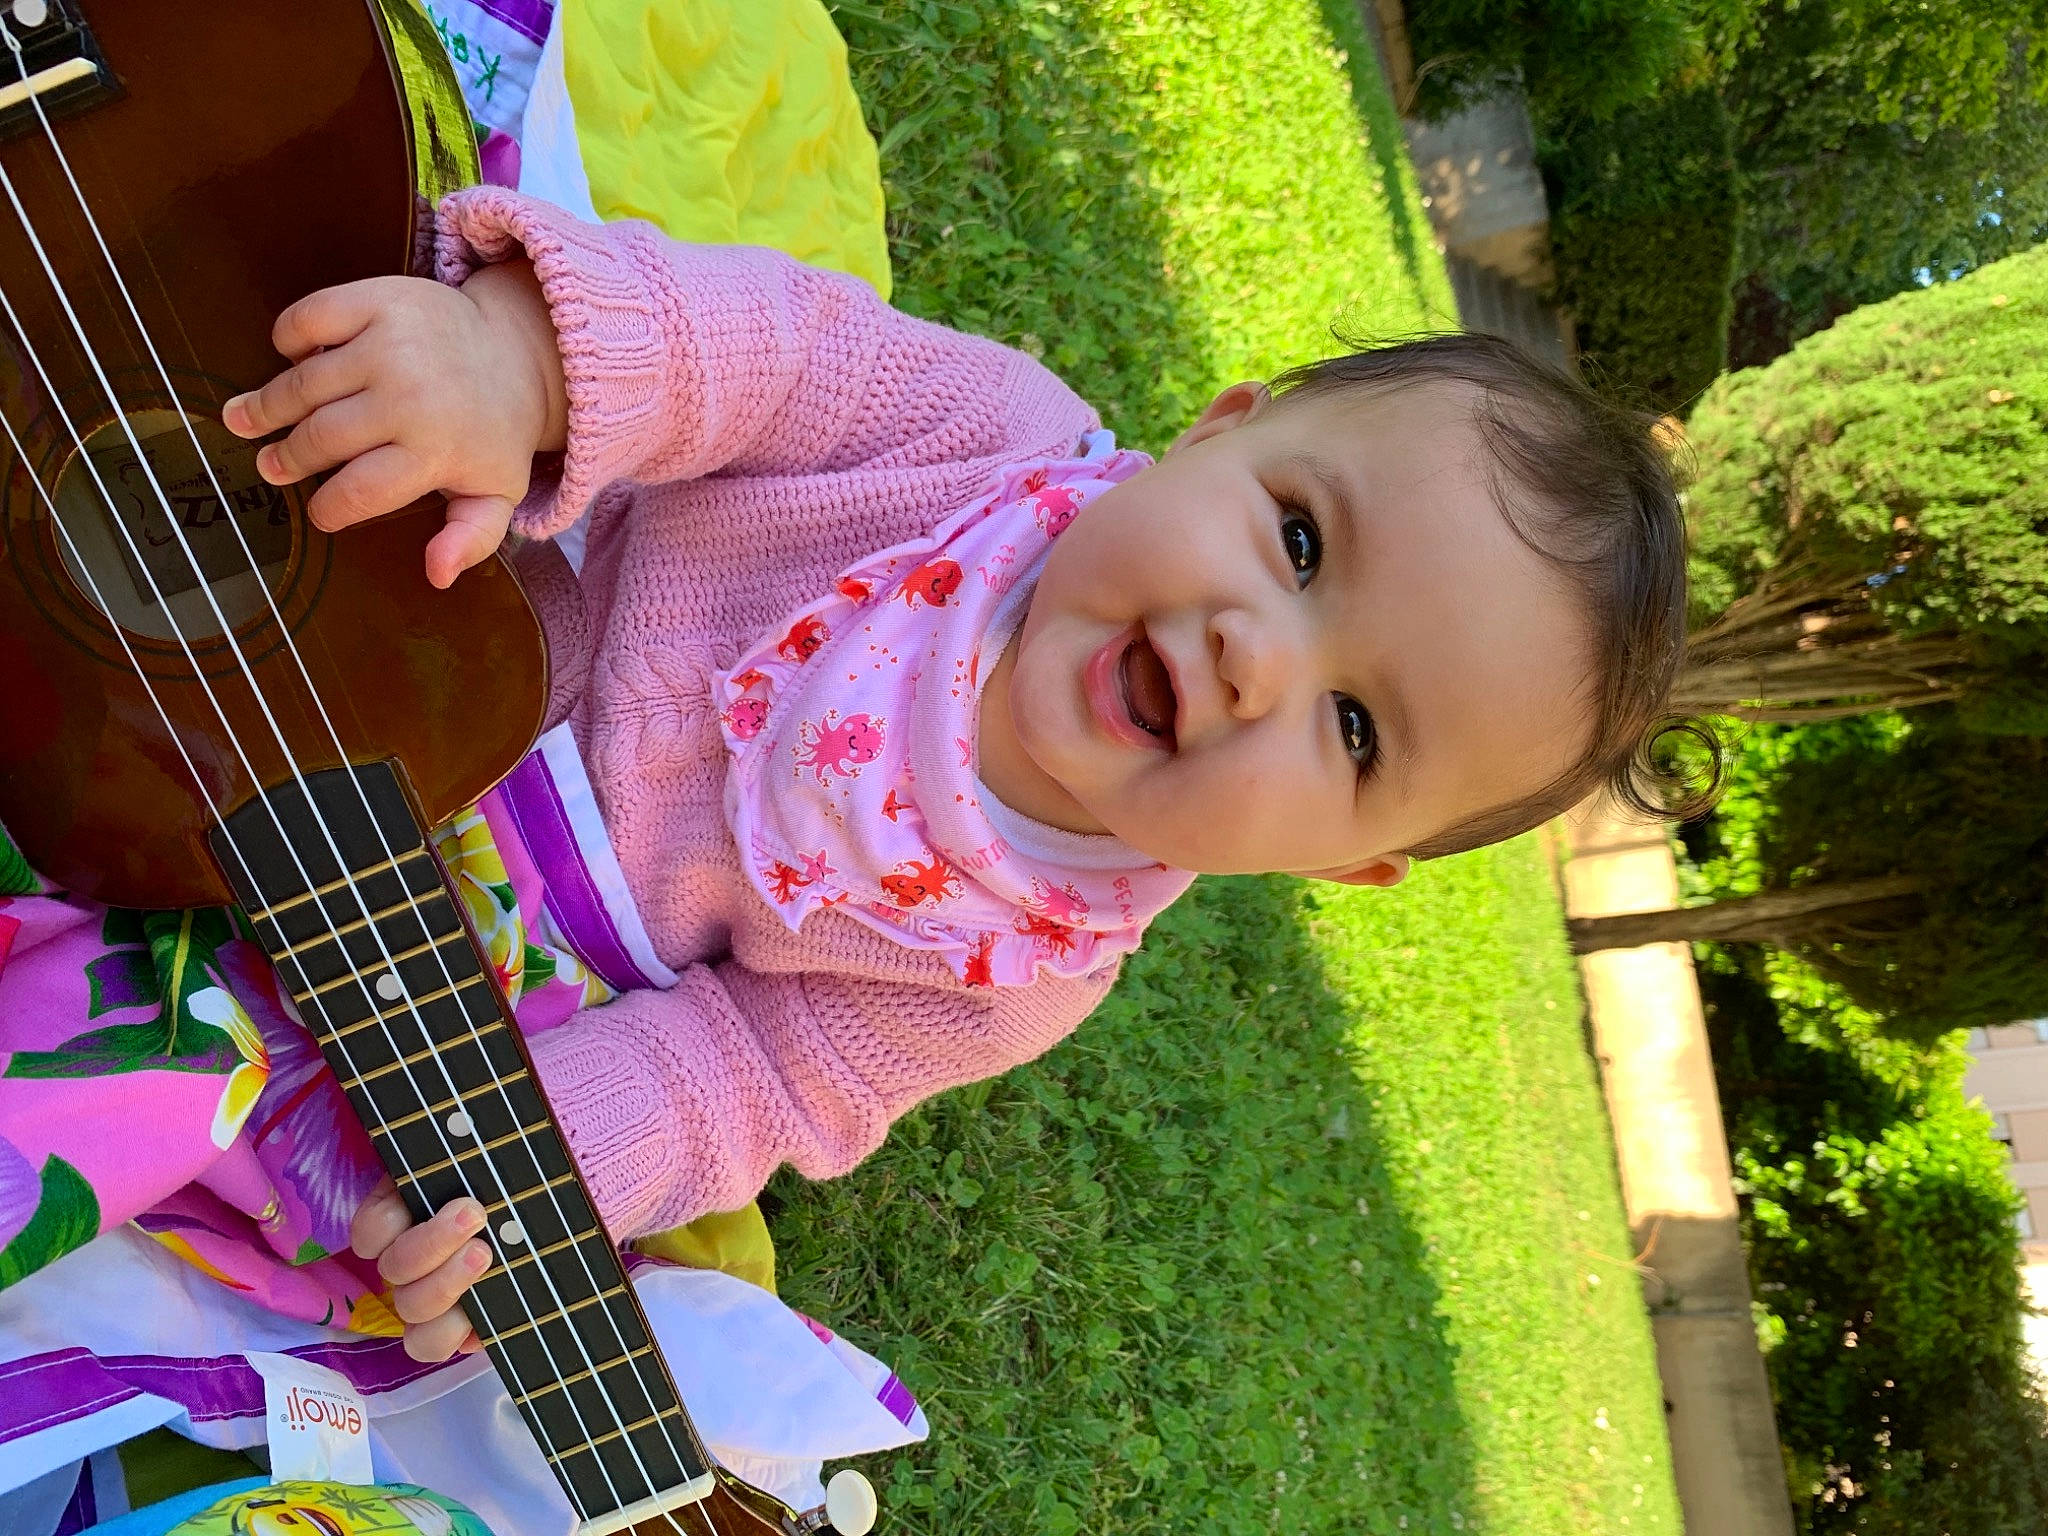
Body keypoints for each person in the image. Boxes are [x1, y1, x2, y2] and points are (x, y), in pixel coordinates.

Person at [218, 185, 1708, 1362]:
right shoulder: (986, 442)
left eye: (1358, 729)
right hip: (445, 594)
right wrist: (527, 370)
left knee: (247, 1137)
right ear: (1217, 432)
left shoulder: (1017, 964)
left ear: (1338, 862)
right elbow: (767, 357)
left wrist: (542, 1157)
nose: (1259, 657)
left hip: (475, 927)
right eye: (1301, 542)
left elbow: (755, 1071)